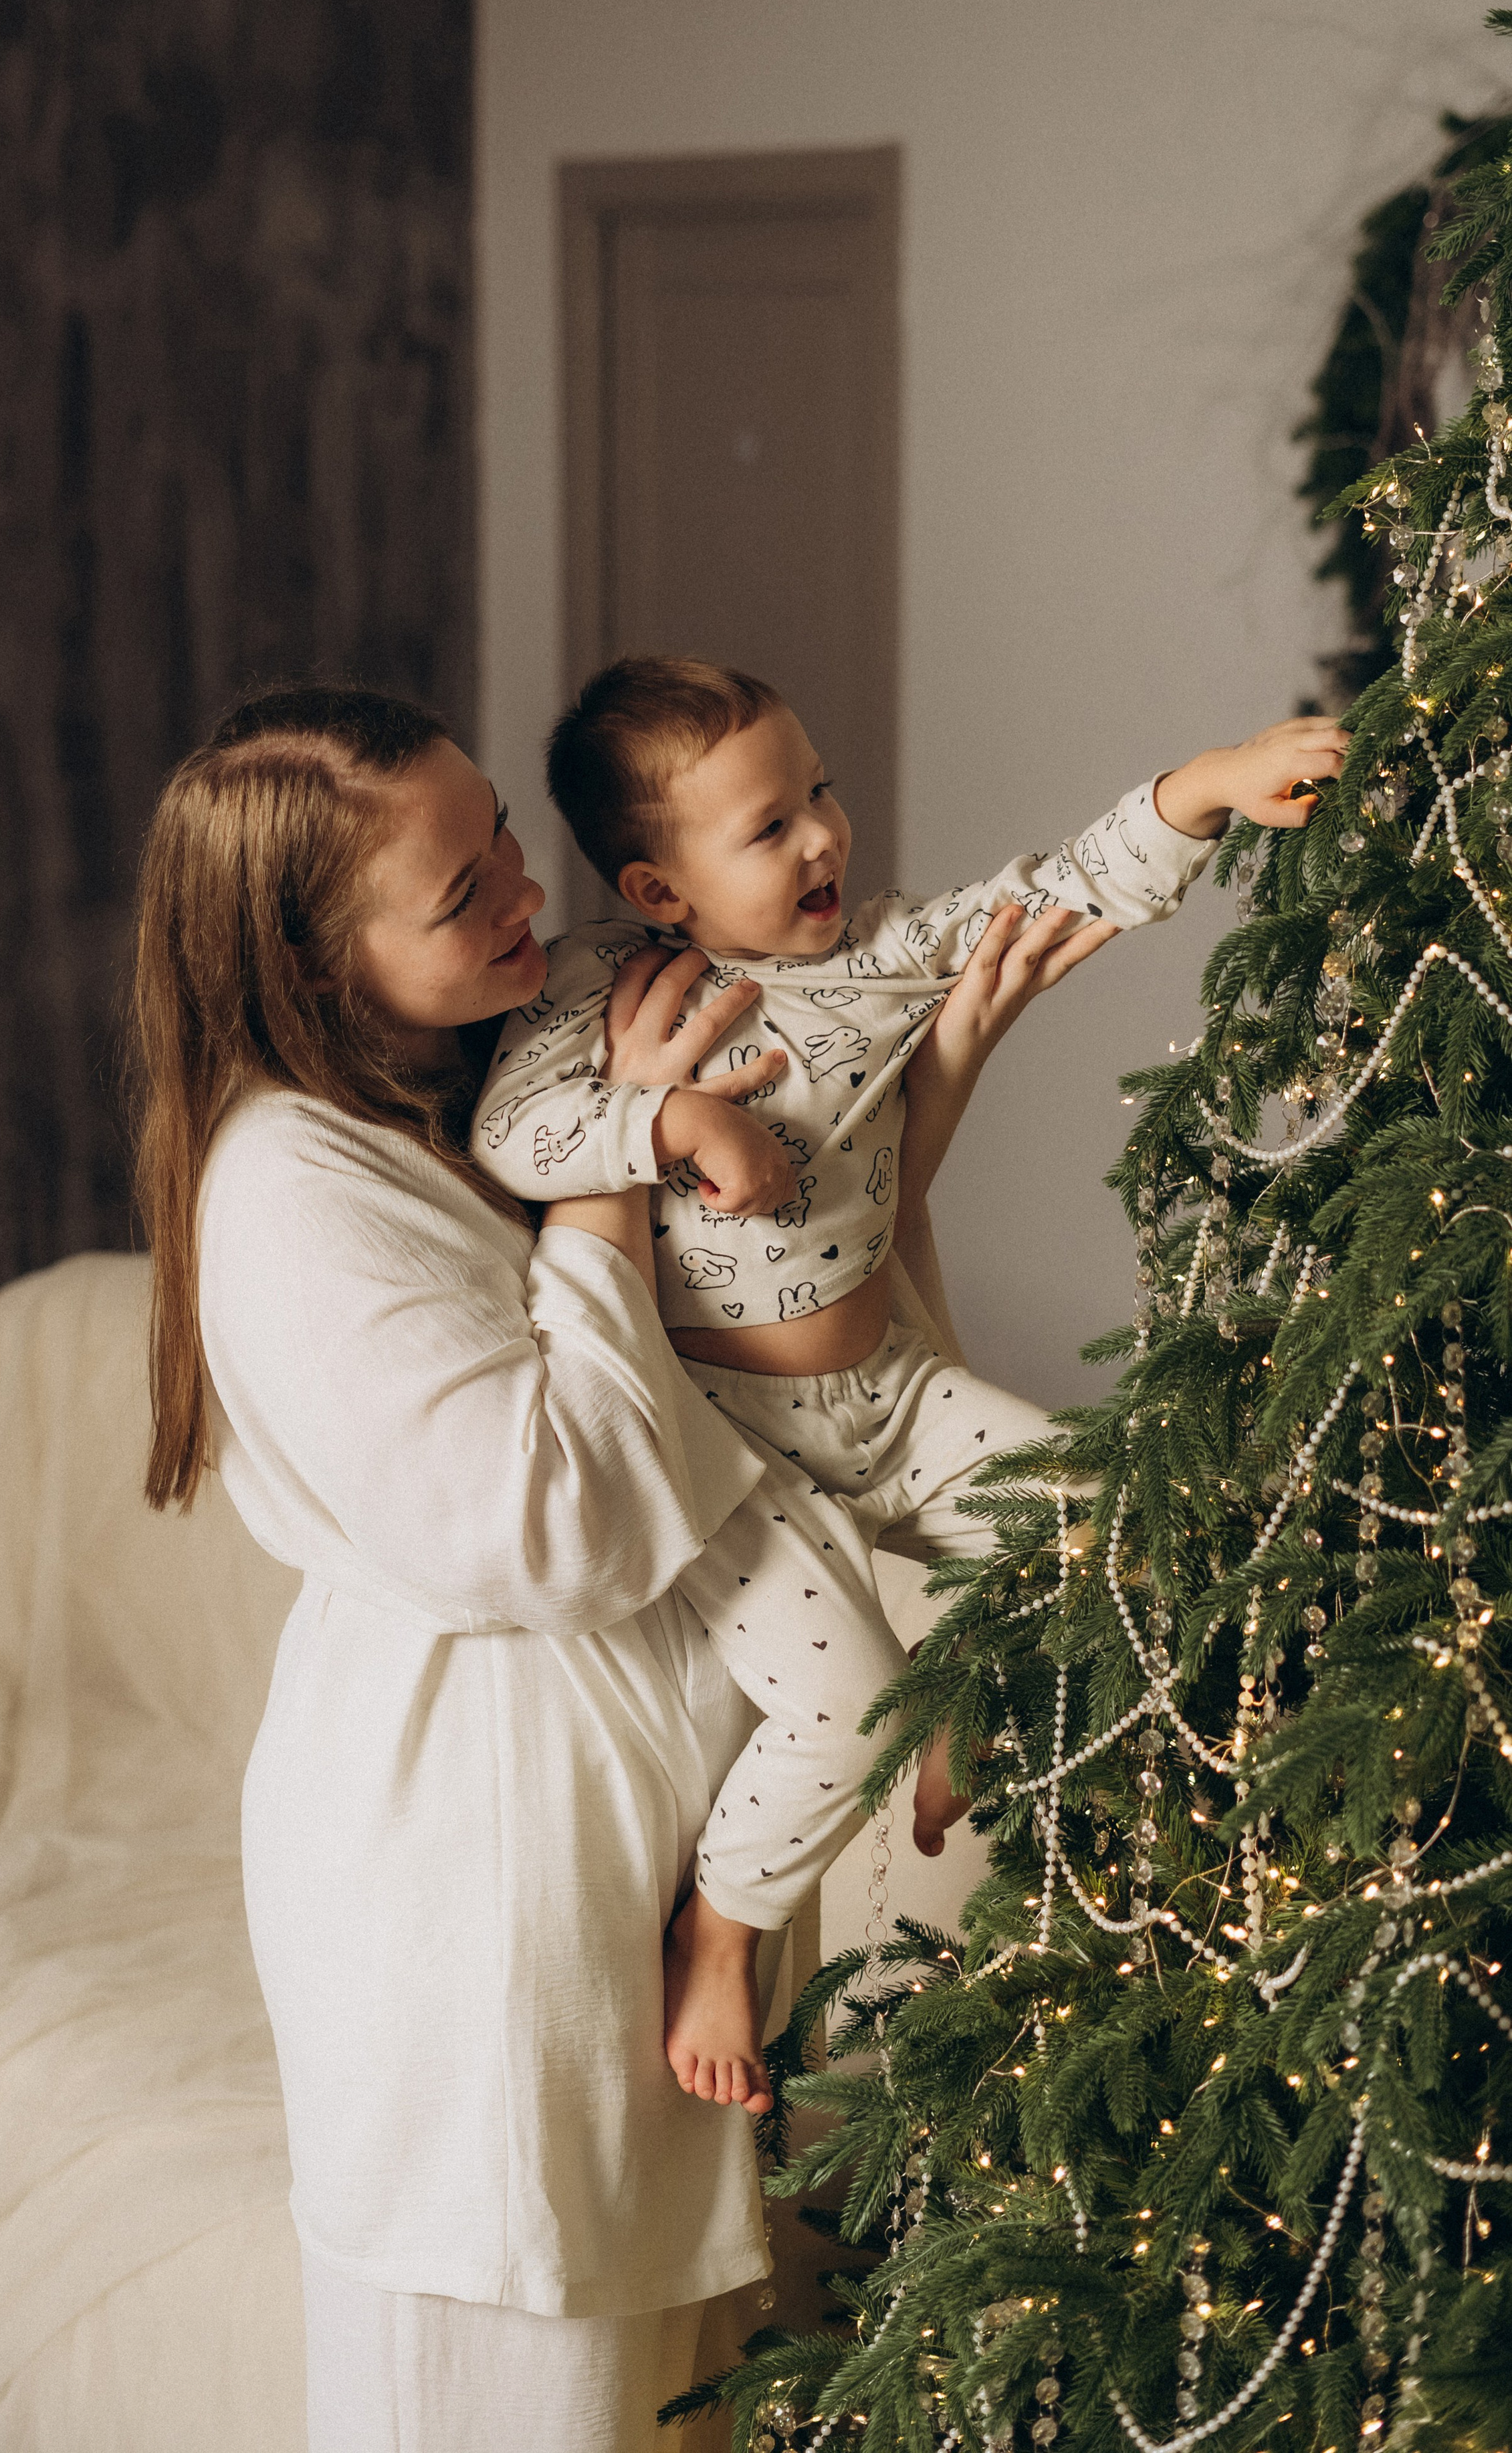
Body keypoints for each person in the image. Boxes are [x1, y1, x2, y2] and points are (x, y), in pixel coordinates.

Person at [128, 681, 1113, 2453]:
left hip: (633, 1869)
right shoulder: (291, 1186)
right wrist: (611, 1159)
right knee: (528, 2403)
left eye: (501, 830)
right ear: (317, 958)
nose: (526, 885)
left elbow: (759, 1313)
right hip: (485, 1891)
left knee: (669, 2402)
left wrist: (925, 1067)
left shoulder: (480, 1070)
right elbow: (561, 1517)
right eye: (461, 892)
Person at [470, 655, 1346, 2093]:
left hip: (885, 1397)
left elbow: (1054, 890)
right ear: (657, 890)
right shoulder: (604, 986)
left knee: (1114, 1507)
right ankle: (718, 1935)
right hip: (730, 1441)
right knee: (839, 1704)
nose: (820, 835)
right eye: (765, 826)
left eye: (815, 790)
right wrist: (677, 1117)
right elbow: (514, 1135)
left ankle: (979, 1697)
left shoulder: (880, 956)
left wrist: (1203, 788)